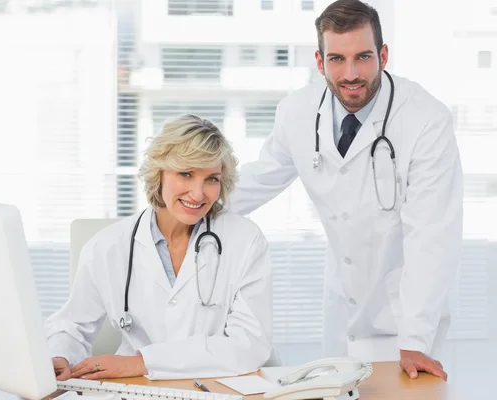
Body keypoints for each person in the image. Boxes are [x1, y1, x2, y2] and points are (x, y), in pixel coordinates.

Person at [229, 0, 463, 381]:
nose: (351, 73)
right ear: (320, 62)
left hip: (407, 322)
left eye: (363, 57)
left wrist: (416, 338)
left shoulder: (426, 119)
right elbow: (259, 179)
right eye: (337, 59)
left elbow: (433, 236)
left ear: (383, 55)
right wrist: (188, 206)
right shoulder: (297, 112)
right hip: (343, 316)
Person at [45, 114, 273, 381]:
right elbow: (72, 325)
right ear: (159, 173)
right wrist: (60, 357)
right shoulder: (107, 246)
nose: (198, 194)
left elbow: (250, 344)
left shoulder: (244, 239)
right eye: (186, 174)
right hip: (136, 389)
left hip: (219, 385)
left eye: (211, 179)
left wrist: (143, 362)